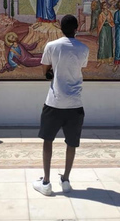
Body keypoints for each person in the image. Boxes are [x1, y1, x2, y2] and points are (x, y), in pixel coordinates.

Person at [32, 15, 89, 196]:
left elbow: (45, 70)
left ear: (60, 27)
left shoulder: (52, 46)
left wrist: (52, 72)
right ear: (76, 28)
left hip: (54, 101)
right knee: (71, 143)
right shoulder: (84, 48)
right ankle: (65, 180)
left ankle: (46, 182)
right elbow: (80, 68)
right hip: (75, 103)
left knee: (47, 140)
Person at [96, 2, 115, 68]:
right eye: (104, 5)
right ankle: (100, 61)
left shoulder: (109, 13)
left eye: (106, 5)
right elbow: (99, 23)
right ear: (102, 6)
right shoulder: (101, 14)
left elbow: (112, 20)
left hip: (108, 28)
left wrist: (109, 21)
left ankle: (109, 60)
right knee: (102, 44)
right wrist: (104, 20)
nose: (106, 6)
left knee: (109, 44)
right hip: (103, 28)